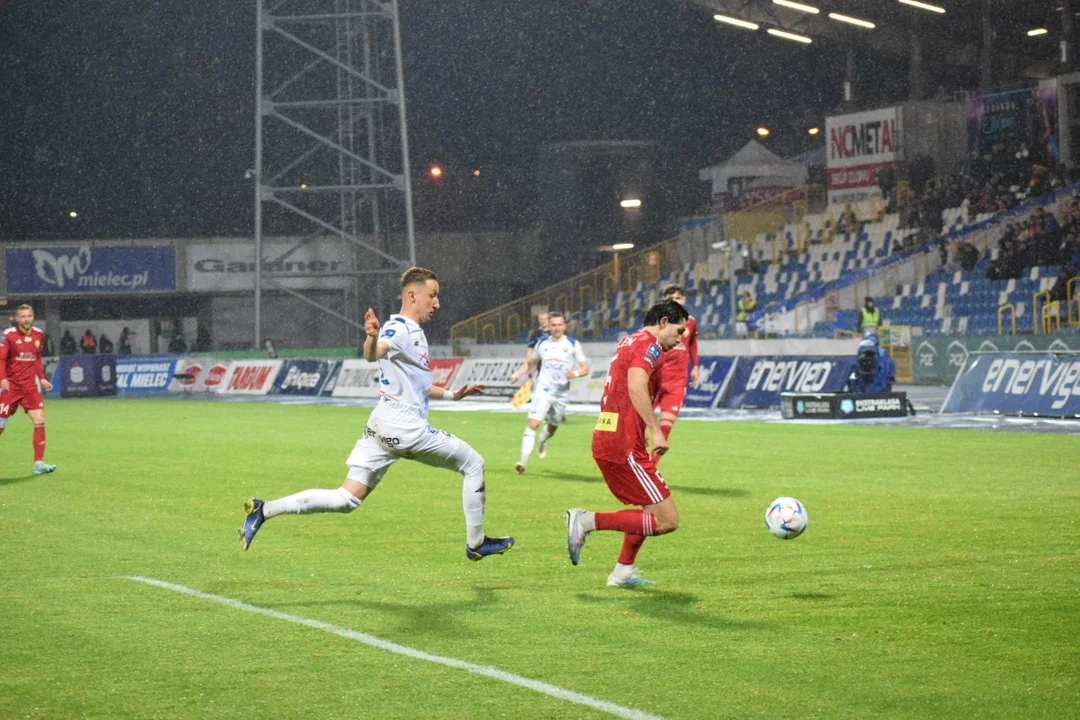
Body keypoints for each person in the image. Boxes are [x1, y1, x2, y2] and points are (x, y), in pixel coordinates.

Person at [239, 267, 514, 562]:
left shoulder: (413, 332)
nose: (437, 304)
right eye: (432, 296)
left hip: (381, 425)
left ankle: (263, 510)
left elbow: (417, 385)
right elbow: (374, 353)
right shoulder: (400, 329)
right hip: (405, 428)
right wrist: (371, 338)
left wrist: (452, 395)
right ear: (412, 295)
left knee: (346, 499)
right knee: (474, 464)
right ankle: (476, 543)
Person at [565, 299, 689, 587]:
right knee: (666, 520)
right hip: (622, 445)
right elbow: (635, 385)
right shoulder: (650, 345)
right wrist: (655, 429)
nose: (681, 338)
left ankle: (622, 572)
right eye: (679, 331)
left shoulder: (628, 341)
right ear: (663, 323)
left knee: (650, 507)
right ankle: (585, 521)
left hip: (614, 438)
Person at [509, 311, 589, 473]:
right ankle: (522, 462)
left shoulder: (573, 344)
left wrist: (575, 374)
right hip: (543, 388)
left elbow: (585, 368)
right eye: (554, 325)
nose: (557, 328)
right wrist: (517, 374)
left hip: (561, 393)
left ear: (564, 326)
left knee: (552, 426)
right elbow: (531, 363)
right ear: (549, 326)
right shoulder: (542, 343)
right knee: (533, 423)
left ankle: (542, 439)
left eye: (560, 325)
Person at [0, 305, 56, 475]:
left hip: (30, 387)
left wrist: (42, 377)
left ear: (33, 317)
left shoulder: (39, 334)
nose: (26, 319)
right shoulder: (8, 335)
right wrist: (2, 378)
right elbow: (1, 359)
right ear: (17, 319)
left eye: (29, 315)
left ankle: (38, 463)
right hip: (11, 386)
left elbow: (37, 358)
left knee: (39, 420)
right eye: (22, 316)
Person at [649, 285, 699, 457]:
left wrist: (696, 367)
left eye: (679, 298)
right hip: (656, 376)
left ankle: (651, 467)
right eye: (672, 298)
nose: (676, 301)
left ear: (684, 299)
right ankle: (633, 460)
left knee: (666, 426)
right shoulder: (658, 321)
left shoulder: (690, 321)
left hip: (677, 380)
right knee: (637, 423)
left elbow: (692, 344)